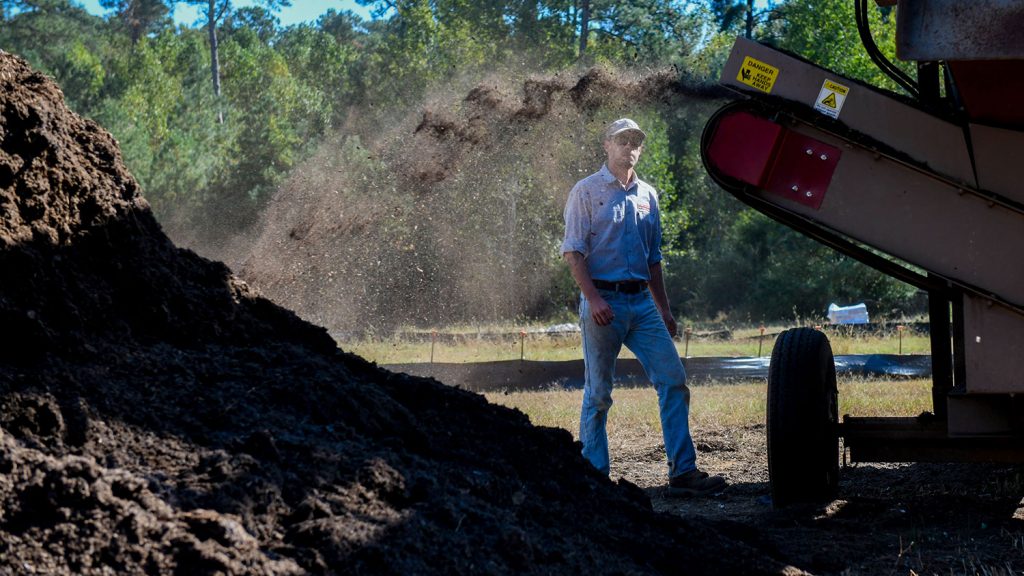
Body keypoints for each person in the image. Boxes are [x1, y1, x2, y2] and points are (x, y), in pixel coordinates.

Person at [561, 118, 726, 497]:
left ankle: (683, 471)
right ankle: (595, 476)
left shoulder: (647, 195)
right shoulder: (586, 192)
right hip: (605, 302)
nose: (629, 147)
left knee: (673, 381)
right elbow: (573, 251)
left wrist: (664, 309)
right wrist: (594, 299)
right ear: (607, 145)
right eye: (622, 140)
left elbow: (654, 260)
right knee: (599, 392)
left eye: (635, 141)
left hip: (642, 303)